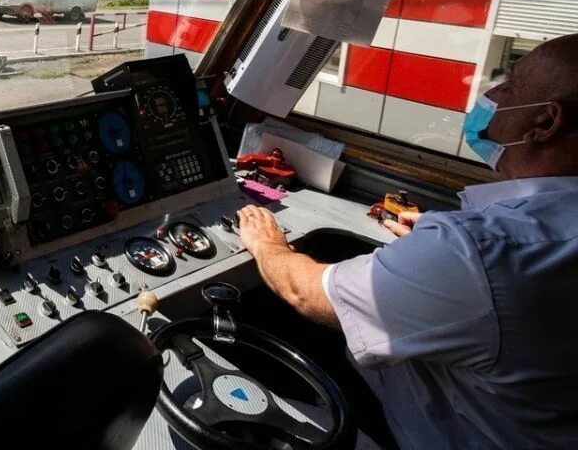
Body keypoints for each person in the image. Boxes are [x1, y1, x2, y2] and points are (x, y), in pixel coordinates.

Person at [237, 33, 578, 449]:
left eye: (511, 84)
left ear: (545, 123)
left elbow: (303, 292)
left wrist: (267, 244)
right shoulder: (504, 244)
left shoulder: (477, 252)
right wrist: (437, 249)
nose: (494, 92)